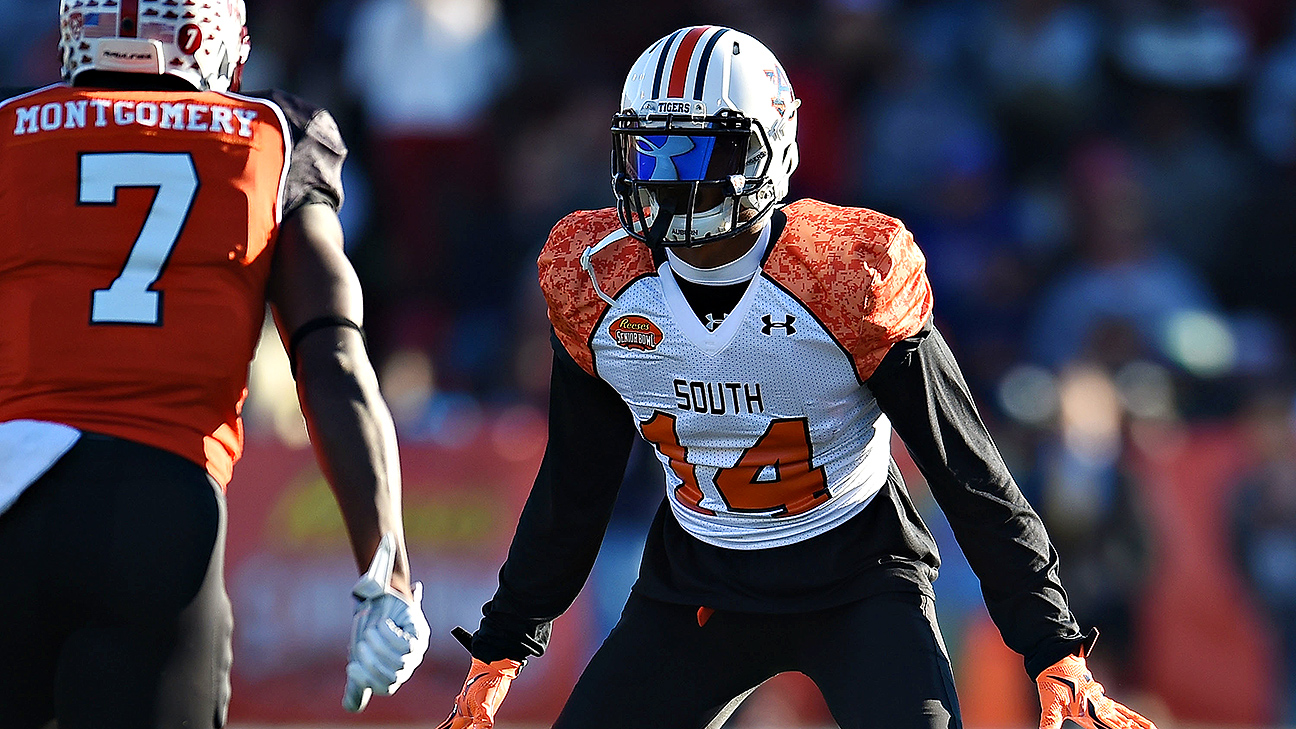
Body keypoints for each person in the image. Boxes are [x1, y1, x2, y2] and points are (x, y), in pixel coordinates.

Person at [437, 26, 1157, 729]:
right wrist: (504, 641)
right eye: (649, 146)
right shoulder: (596, 275)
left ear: (768, 147)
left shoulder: (846, 275)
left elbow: (966, 469)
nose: (666, 173)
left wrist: (1053, 643)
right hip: (698, 582)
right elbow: (575, 483)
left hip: (860, 574)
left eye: (695, 150)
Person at [0, 2, 428, 727]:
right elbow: (332, 357)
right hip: (162, 508)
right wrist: (386, 568)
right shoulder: (272, 139)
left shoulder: (10, 131)